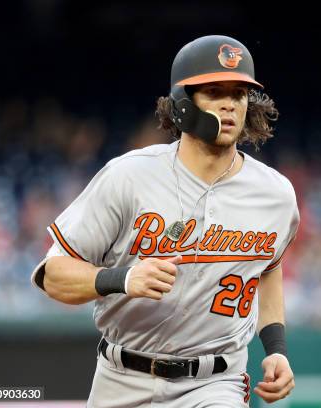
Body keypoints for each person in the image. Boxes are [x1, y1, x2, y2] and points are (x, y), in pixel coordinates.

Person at [31, 34, 300, 407]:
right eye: (214, 91)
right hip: (121, 377)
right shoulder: (129, 176)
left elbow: (267, 268)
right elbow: (54, 275)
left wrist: (276, 348)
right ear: (183, 105)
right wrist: (121, 278)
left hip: (215, 382)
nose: (229, 104)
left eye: (238, 93)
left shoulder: (275, 194)